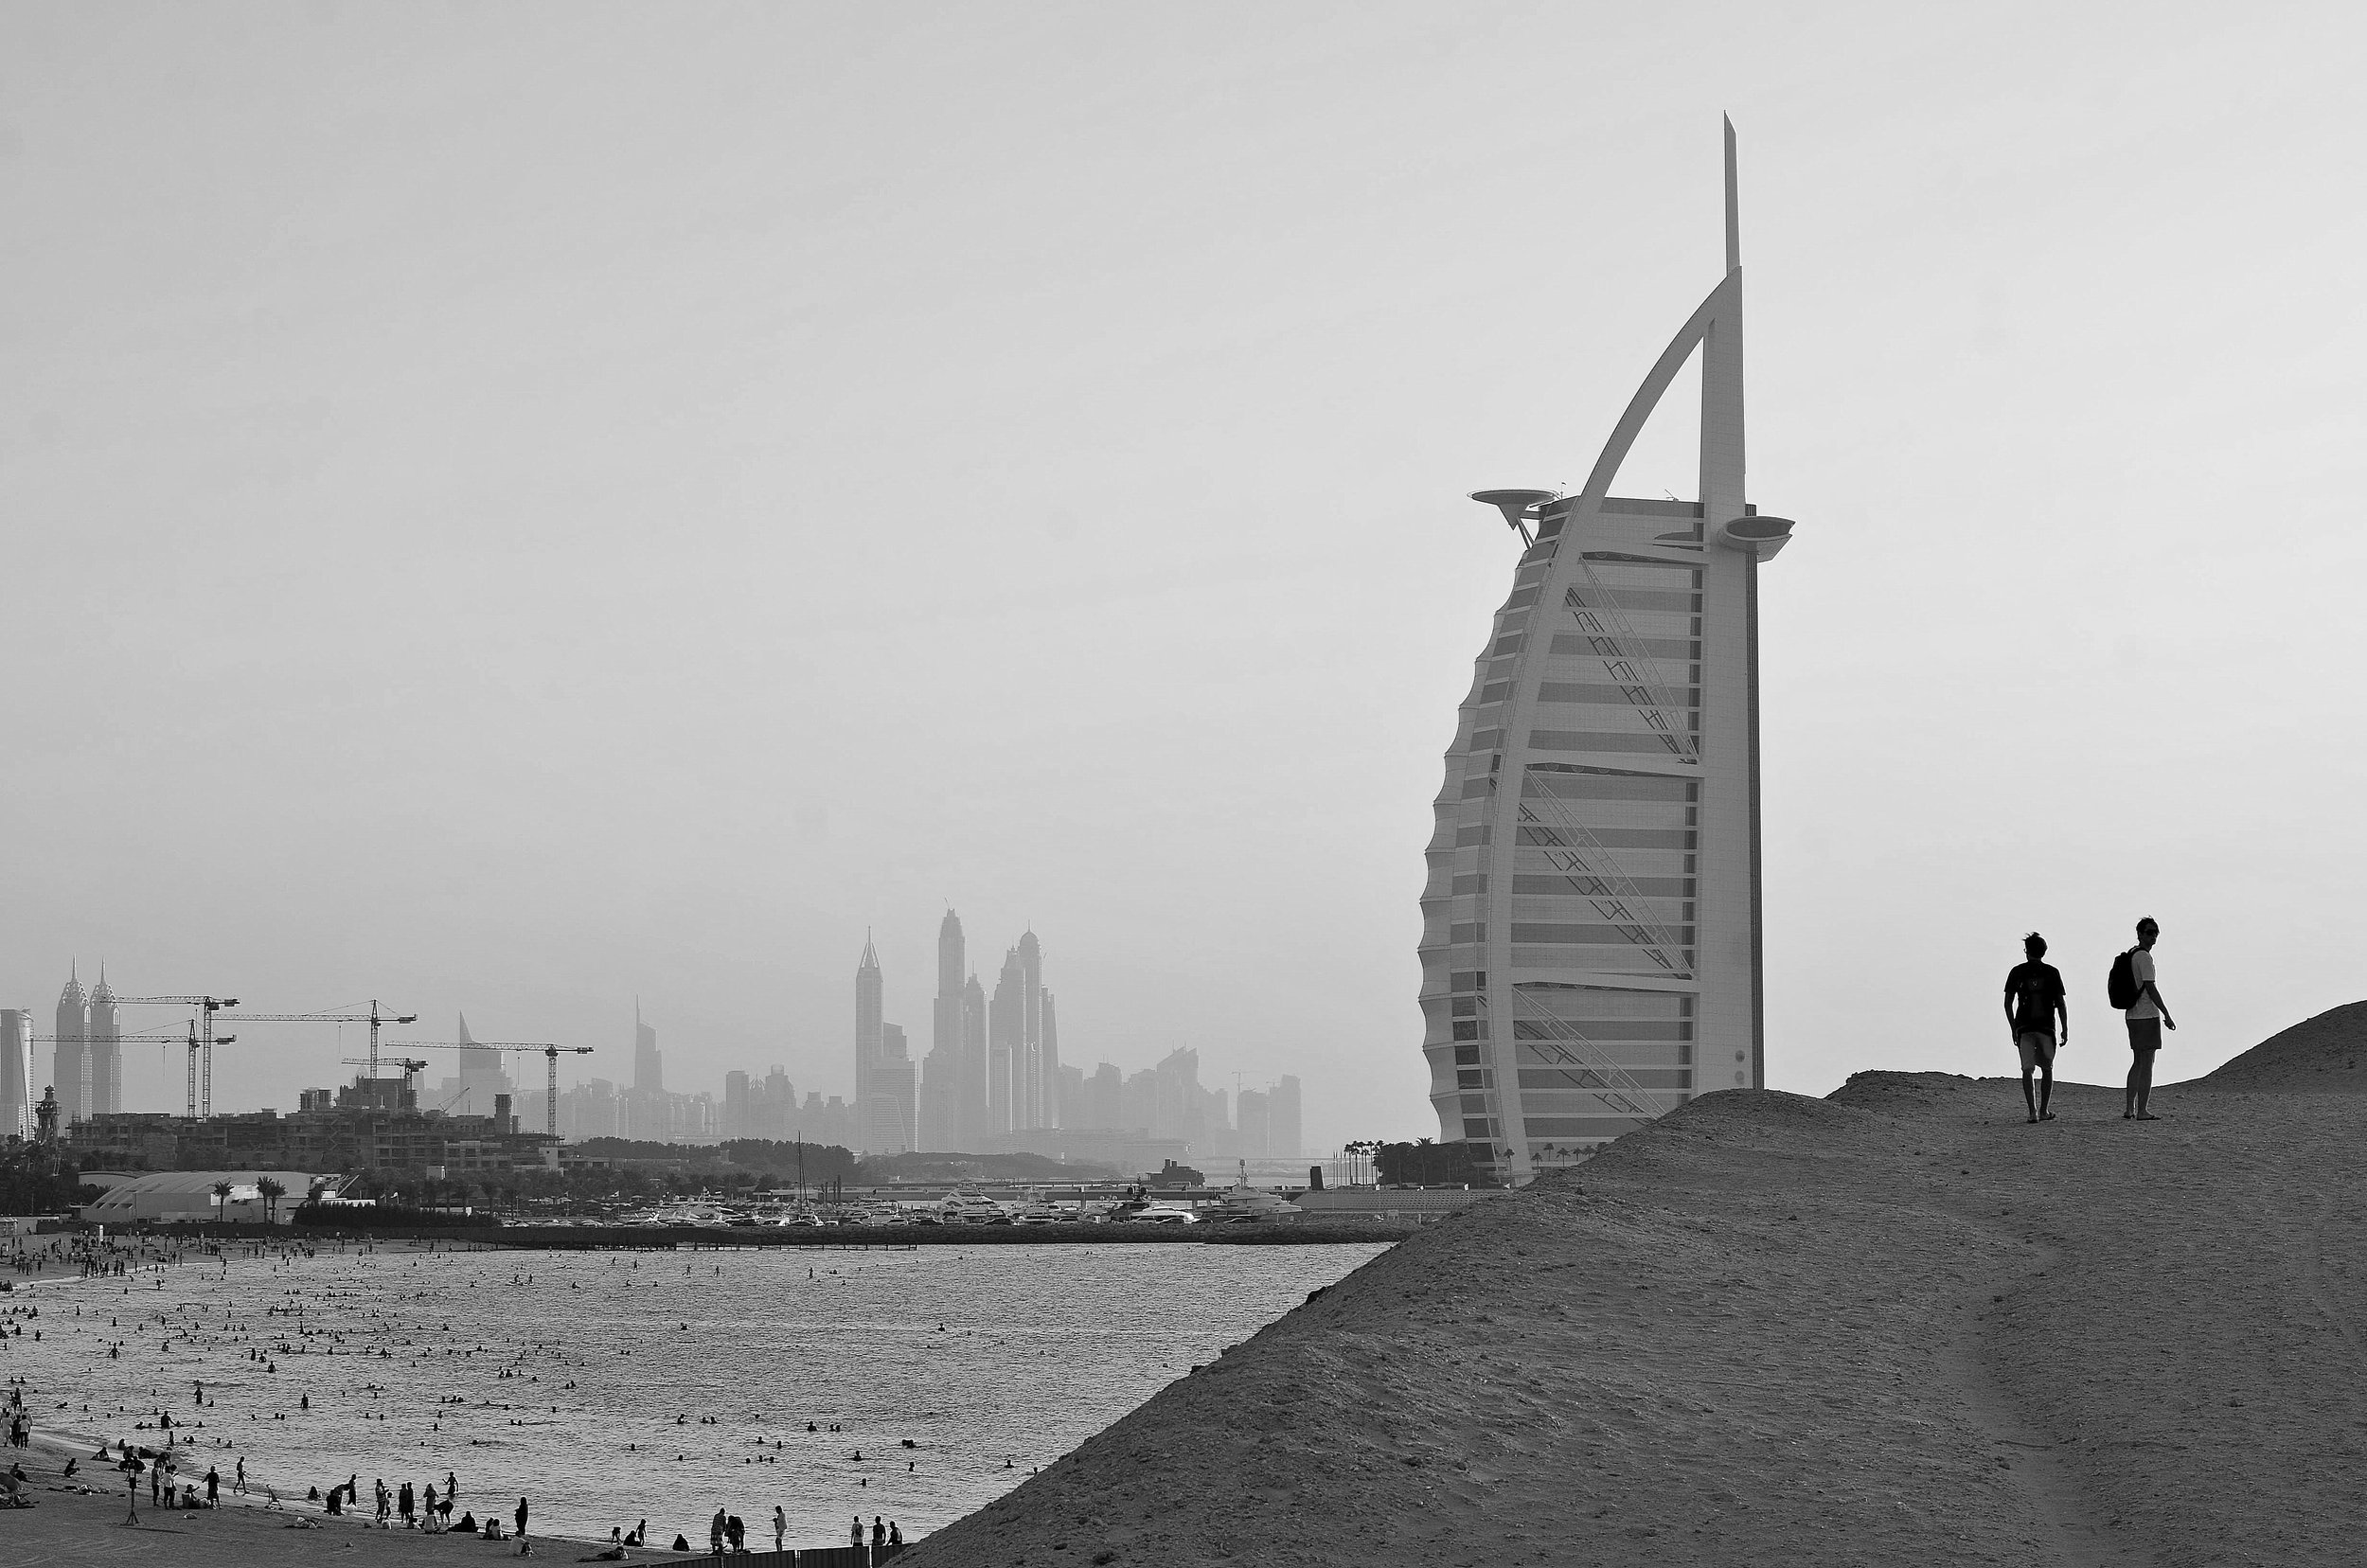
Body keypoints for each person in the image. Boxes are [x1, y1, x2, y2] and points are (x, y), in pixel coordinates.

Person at [2002, 933, 2068, 1123]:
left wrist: (2013, 1026)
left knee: (2027, 1069)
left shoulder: (2016, 971)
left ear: (2026, 951)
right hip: (2047, 1027)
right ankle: (2044, 1110)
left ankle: (2032, 1112)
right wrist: (2065, 1028)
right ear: (2044, 951)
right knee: (2047, 1068)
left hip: (2024, 1027)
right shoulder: (2052, 972)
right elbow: (2061, 1003)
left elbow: (2007, 1003)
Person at [2123, 917, 2176, 1120]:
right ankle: (2142, 1110)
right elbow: (2150, 987)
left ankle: (2130, 1108)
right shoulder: (2144, 957)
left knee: (2138, 1061)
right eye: (2149, 932)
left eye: (2155, 933)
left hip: (2133, 1014)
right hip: (2146, 1014)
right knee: (2147, 1063)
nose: (2153, 936)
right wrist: (2166, 1013)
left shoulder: (2132, 954)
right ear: (2140, 934)